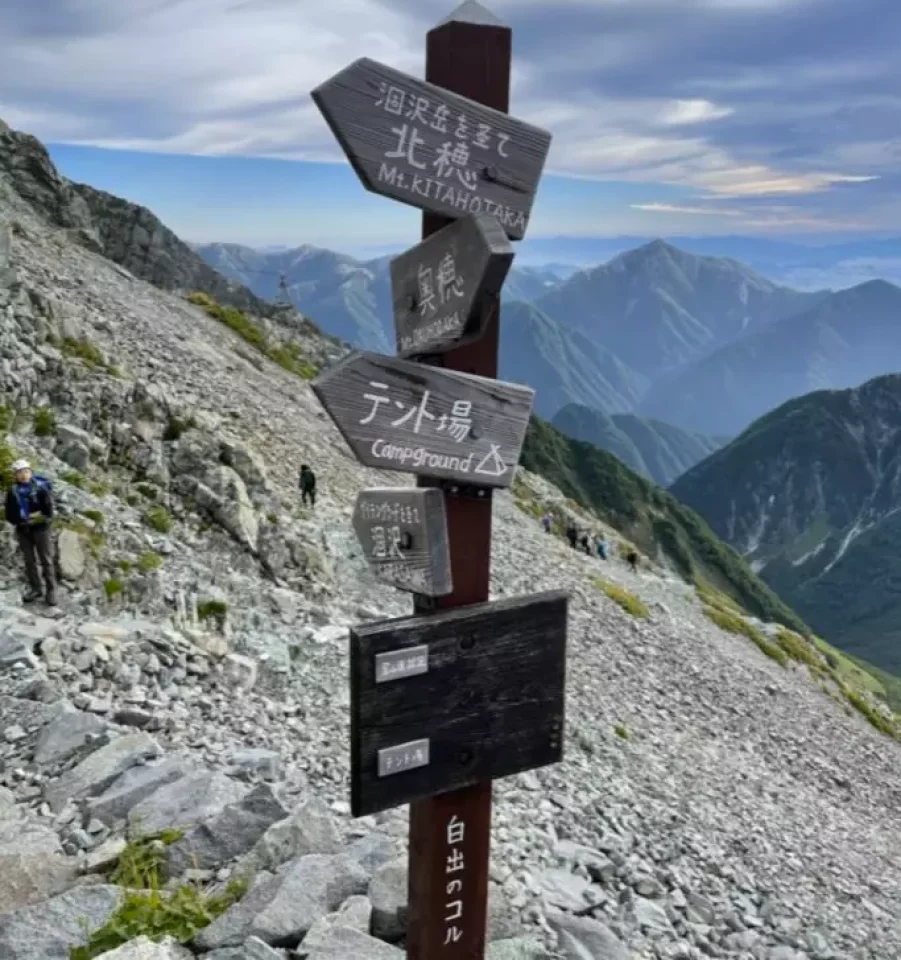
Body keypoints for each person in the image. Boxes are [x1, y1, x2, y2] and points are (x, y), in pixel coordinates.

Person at [5, 460, 56, 605]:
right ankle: (36, 588)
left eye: (26, 471)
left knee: (46, 559)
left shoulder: (41, 488)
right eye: (20, 472)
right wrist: (19, 520)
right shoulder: (13, 491)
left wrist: (40, 519)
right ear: (15, 475)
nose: (23, 475)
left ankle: (51, 591)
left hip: (41, 529)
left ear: (30, 472)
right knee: (29, 561)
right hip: (23, 530)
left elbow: (49, 510)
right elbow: (9, 513)